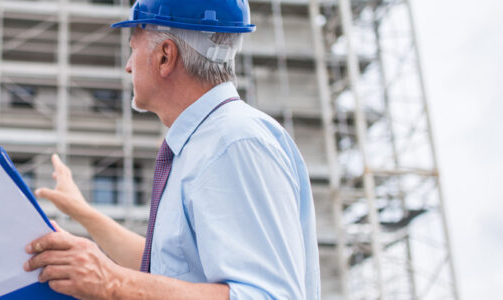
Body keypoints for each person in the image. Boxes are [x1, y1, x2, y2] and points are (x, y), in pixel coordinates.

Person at [23, 0, 320, 299]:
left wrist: (112, 281)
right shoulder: (207, 144)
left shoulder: (234, 142)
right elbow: (165, 270)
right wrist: (83, 213)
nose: (127, 66)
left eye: (133, 48)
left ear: (166, 56)